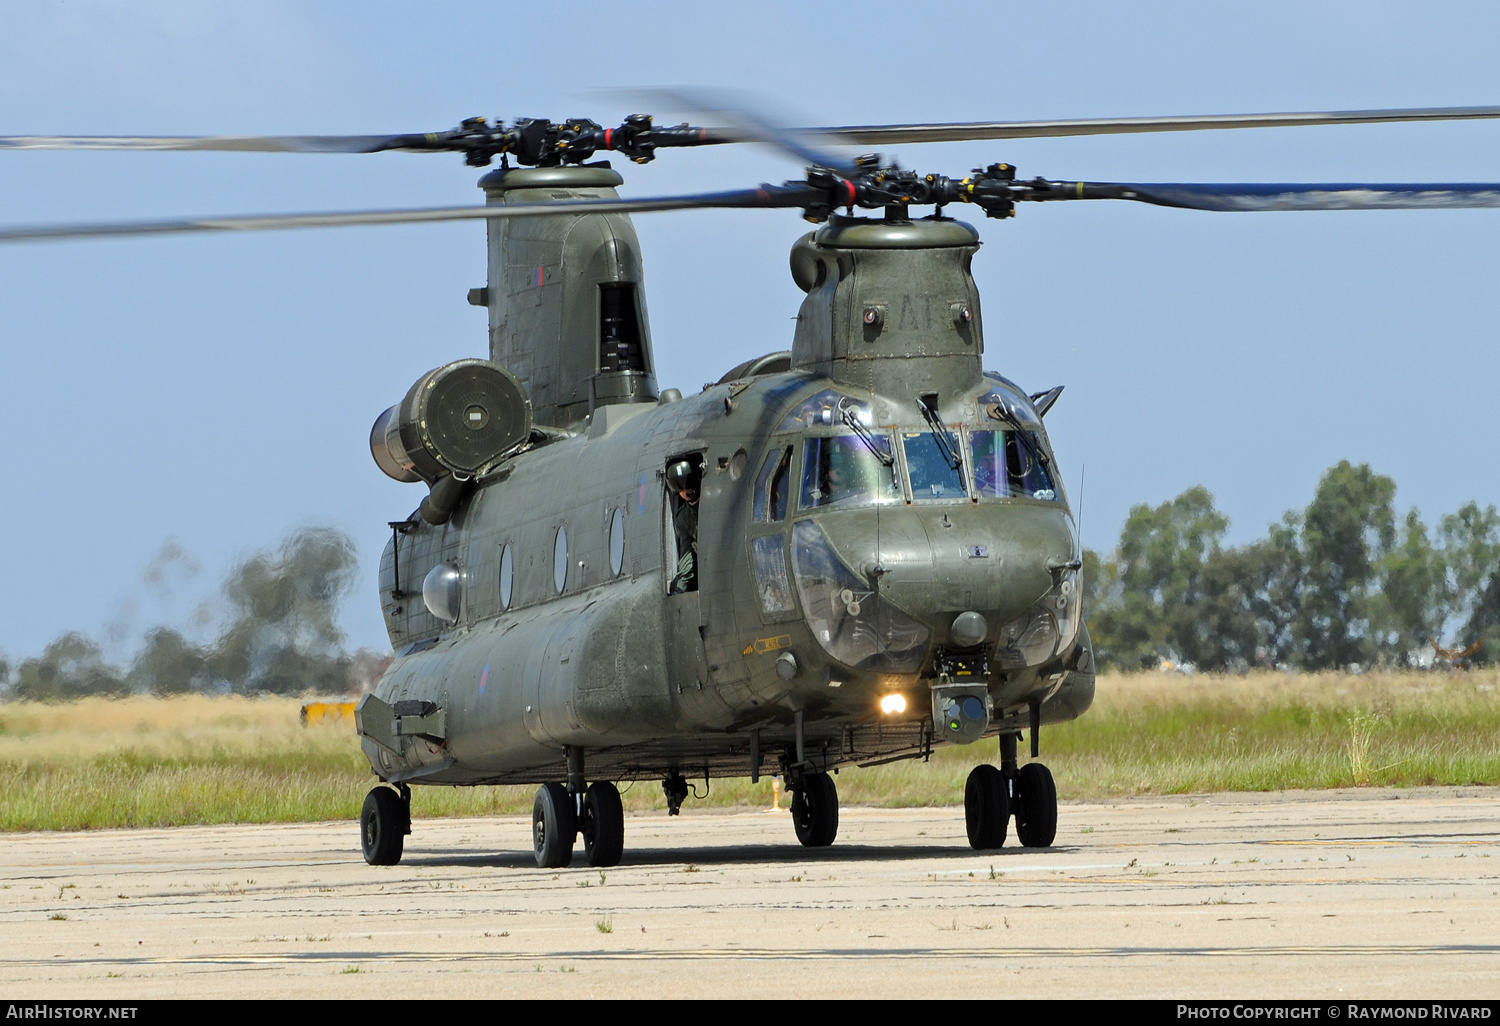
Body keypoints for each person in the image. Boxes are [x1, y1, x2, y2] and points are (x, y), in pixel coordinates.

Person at [667, 460, 700, 594]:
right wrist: (680, 588)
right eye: (679, 485)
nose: (686, 489)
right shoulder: (683, 518)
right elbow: (687, 553)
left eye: (689, 482)